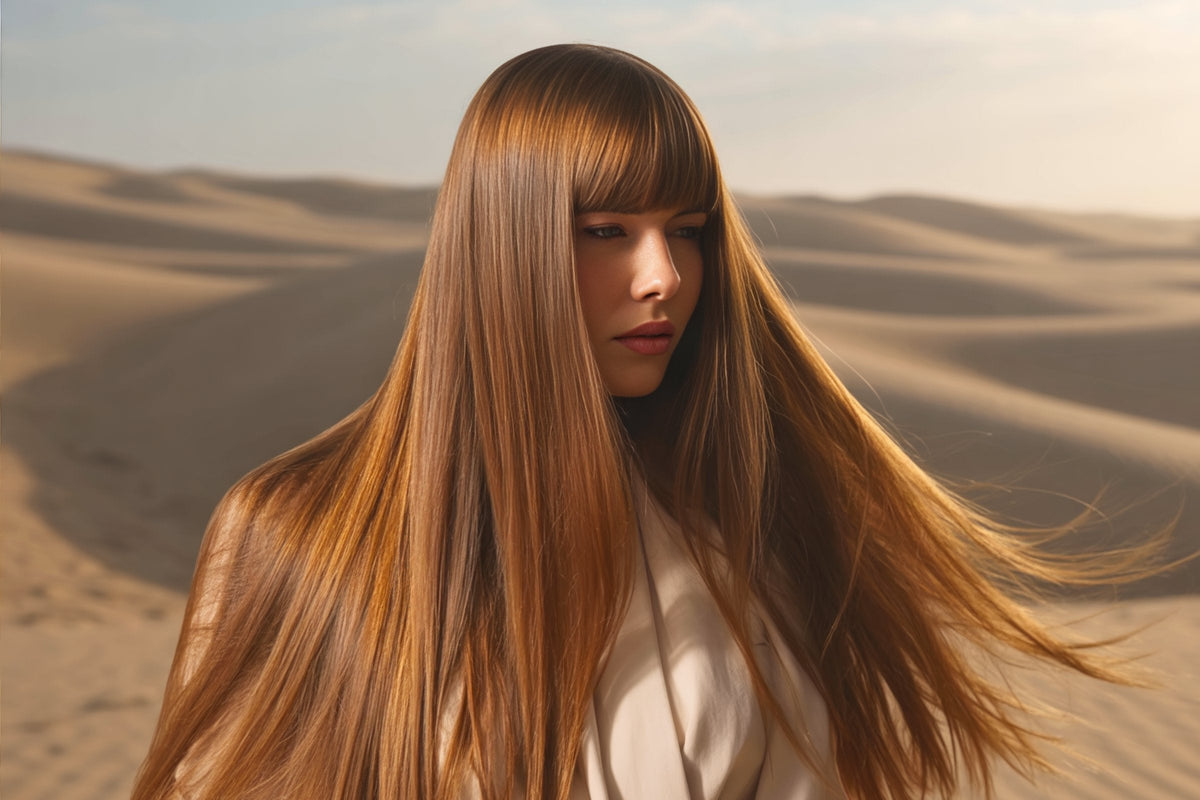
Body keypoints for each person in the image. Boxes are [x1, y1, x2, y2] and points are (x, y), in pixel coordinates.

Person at [132, 43, 1150, 800]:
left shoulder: (746, 544)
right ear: (504, 245)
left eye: (688, 231)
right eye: (606, 230)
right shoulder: (287, 531)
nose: (663, 276)